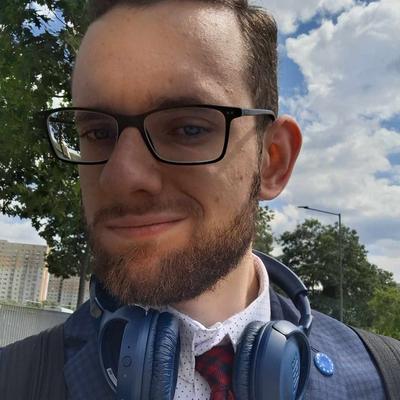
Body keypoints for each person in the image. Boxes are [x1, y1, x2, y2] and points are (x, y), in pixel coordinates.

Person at [0, 1, 399, 399]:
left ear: (273, 160)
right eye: (98, 133)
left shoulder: (387, 378)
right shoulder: (13, 380)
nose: (121, 176)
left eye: (188, 129)